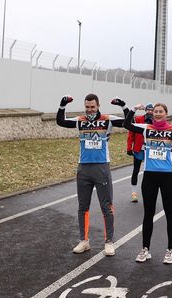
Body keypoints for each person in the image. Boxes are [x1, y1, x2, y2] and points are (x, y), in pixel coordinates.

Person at [124, 102, 172, 265]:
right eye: (155, 111)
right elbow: (126, 124)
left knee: (170, 214)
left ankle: (170, 250)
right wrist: (133, 109)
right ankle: (145, 249)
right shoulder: (146, 128)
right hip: (149, 176)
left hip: (168, 177)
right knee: (148, 214)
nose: (157, 114)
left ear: (166, 114)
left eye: (161, 112)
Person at [56, 94, 129, 257]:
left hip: (101, 167)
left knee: (106, 206)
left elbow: (128, 123)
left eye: (92, 107)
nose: (89, 110)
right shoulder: (80, 120)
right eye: (87, 107)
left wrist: (123, 106)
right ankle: (84, 241)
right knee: (83, 207)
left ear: (98, 106)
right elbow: (61, 121)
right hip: (83, 168)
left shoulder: (107, 119)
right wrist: (62, 106)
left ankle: (109, 242)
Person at [127, 103, 154, 203]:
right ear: (145, 110)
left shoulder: (155, 121)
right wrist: (129, 147)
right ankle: (134, 193)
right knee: (136, 170)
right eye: (148, 109)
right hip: (138, 149)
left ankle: (149, 193)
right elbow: (131, 133)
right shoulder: (138, 119)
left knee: (149, 172)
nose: (150, 111)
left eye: (152, 110)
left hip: (150, 150)